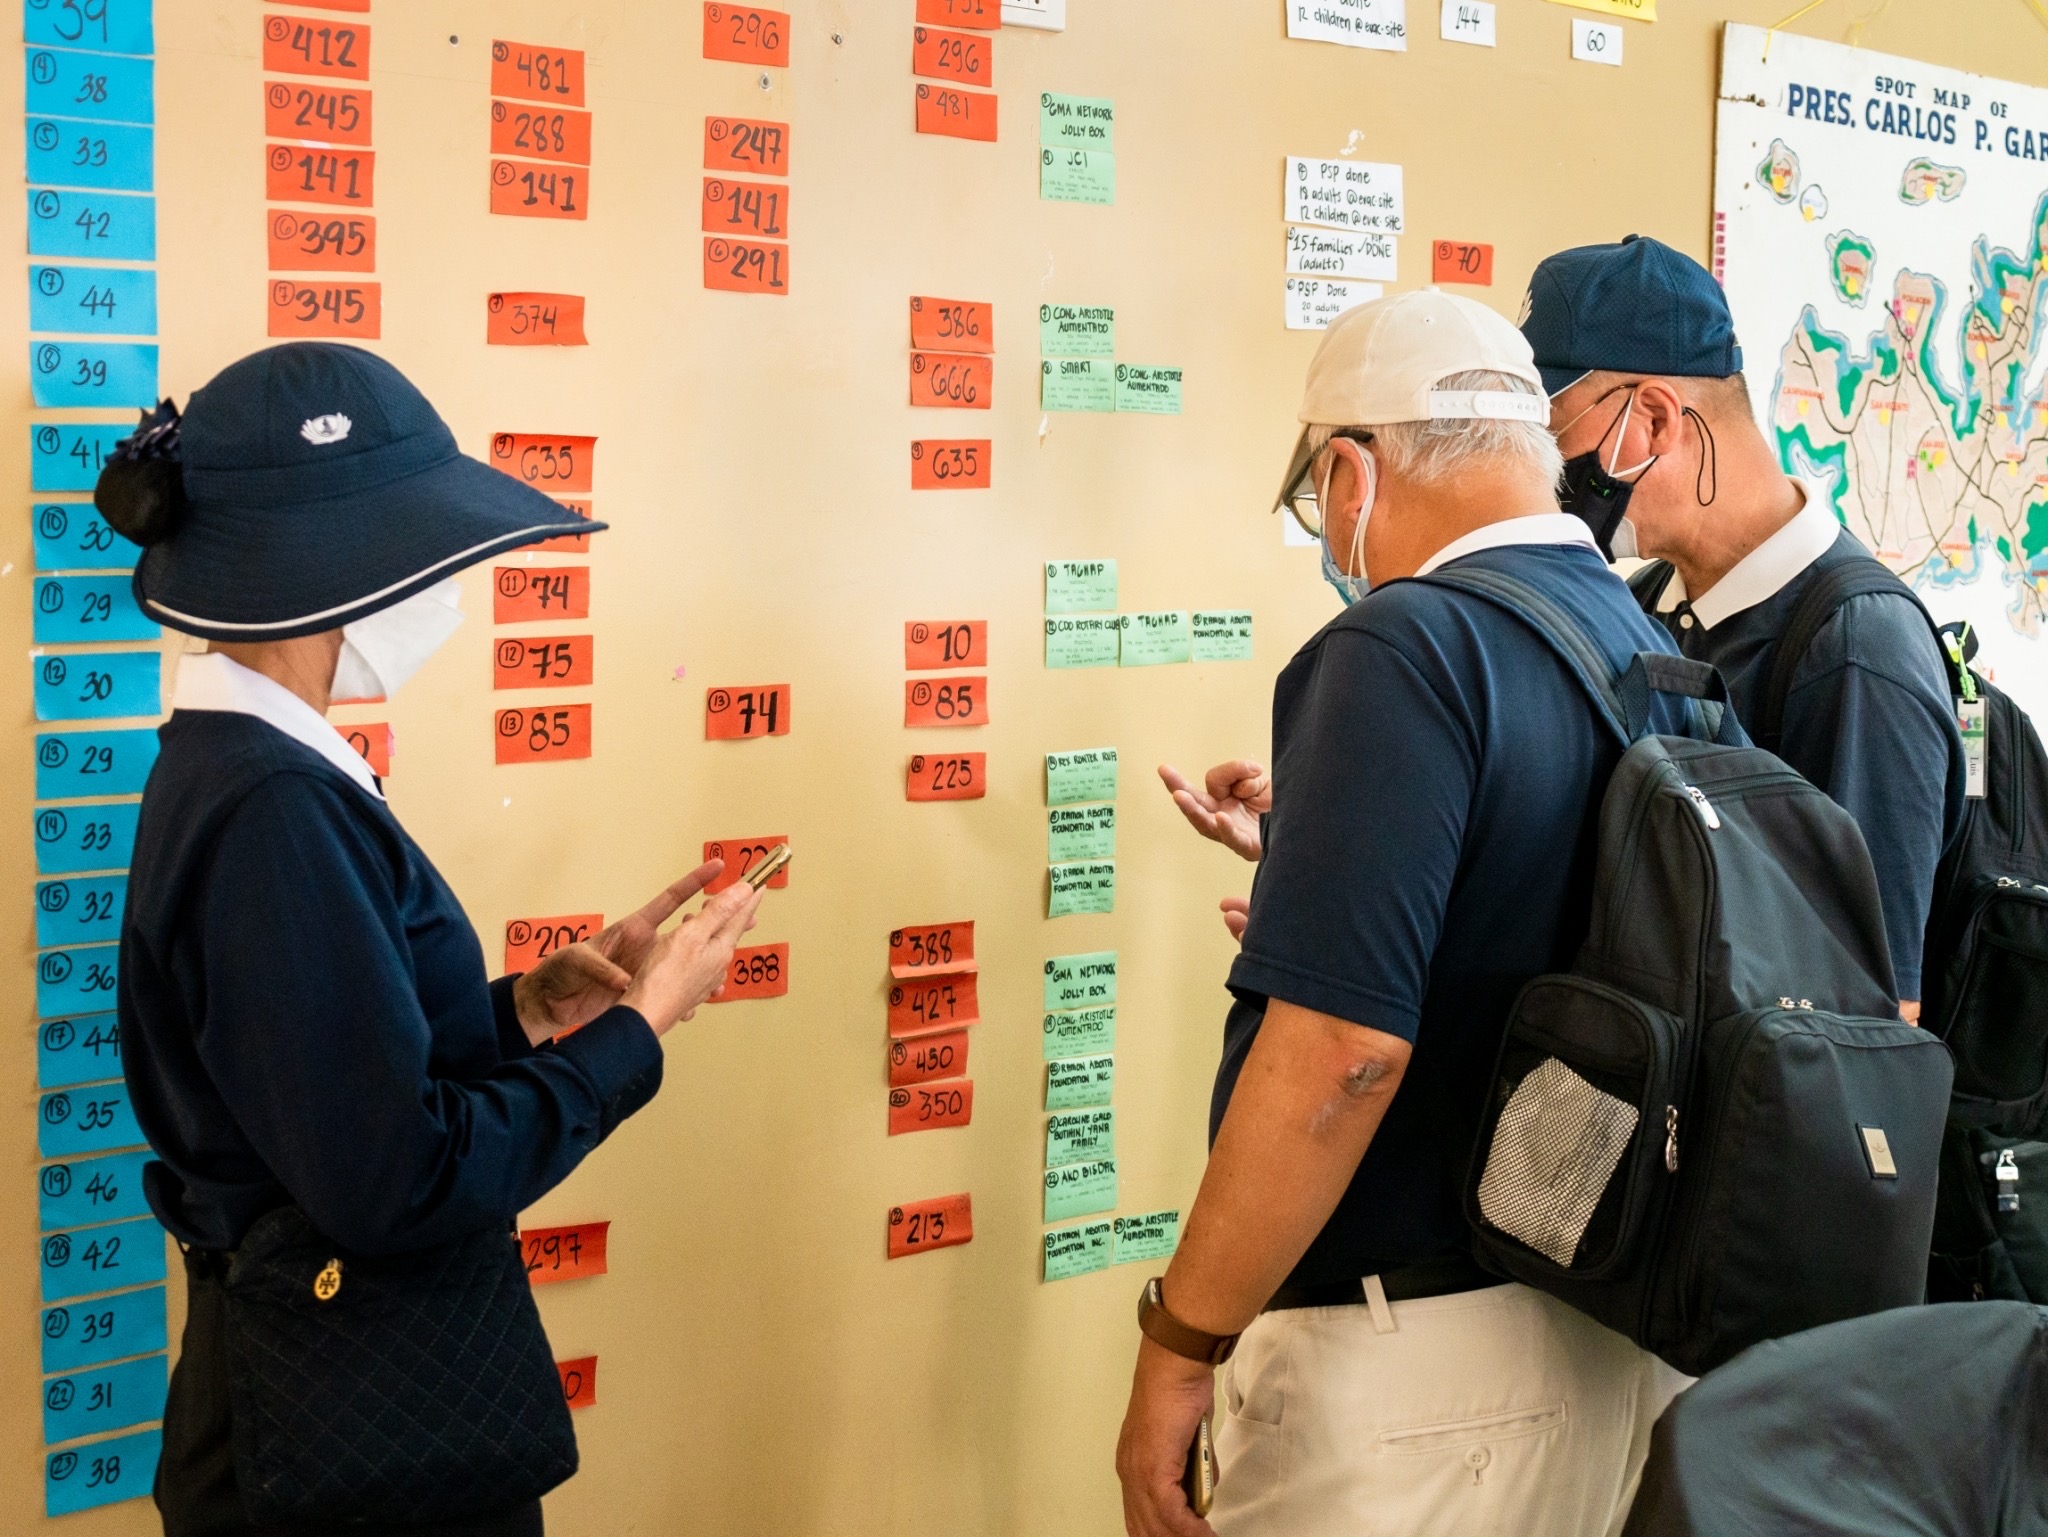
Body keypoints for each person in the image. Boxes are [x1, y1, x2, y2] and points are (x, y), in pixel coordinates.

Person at [104, 343, 763, 1537]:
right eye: (417, 551)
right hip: (336, 1436)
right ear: (334, 559)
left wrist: (523, 1012)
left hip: (326, 1408)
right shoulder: (273, 810)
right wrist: (634, 1032)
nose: (438, 588)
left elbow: (313, 1078)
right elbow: (397, 1181)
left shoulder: (245, 772)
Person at [1116, 292, 1690, 1537]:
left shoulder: (1403, 646)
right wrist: (1308, 872)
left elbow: (1342, 1056)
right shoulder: (1645, 652)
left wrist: (1178, 1348)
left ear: (1348, 472)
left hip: (1416, 1383)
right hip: (1607, 1345)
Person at [1524, 235, 1967, 1019]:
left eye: (1553, 433)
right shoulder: (1653, 601)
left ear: (1655, 418)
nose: (1542, 470)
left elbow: (1869, 1020)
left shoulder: (1857, 651)